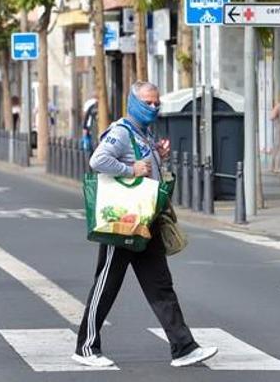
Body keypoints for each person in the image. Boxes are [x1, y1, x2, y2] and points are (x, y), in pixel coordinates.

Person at [73, 81, 218, 369]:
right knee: (107, 283)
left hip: (145, 220)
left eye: (156, 103)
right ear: (133, 102)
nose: (153, 107)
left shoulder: (144, 133)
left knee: (161, 286)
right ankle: (85, 347)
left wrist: (157, 156)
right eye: (148, 103)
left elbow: (146, 167)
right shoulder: (122, 132)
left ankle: (183, 347)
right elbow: (98, 160)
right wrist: (131, 169)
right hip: (122, 222)